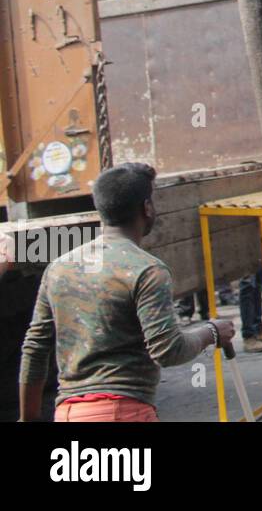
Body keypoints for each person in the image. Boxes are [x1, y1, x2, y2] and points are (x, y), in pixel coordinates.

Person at [19, 163, 236, 421]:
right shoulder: (147, 270)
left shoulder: (58, 269)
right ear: (146, 208)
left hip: (69, 413)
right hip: (123, 412)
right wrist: (210, 332)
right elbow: (168, 351)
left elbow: (34, 348)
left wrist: (27, 418)